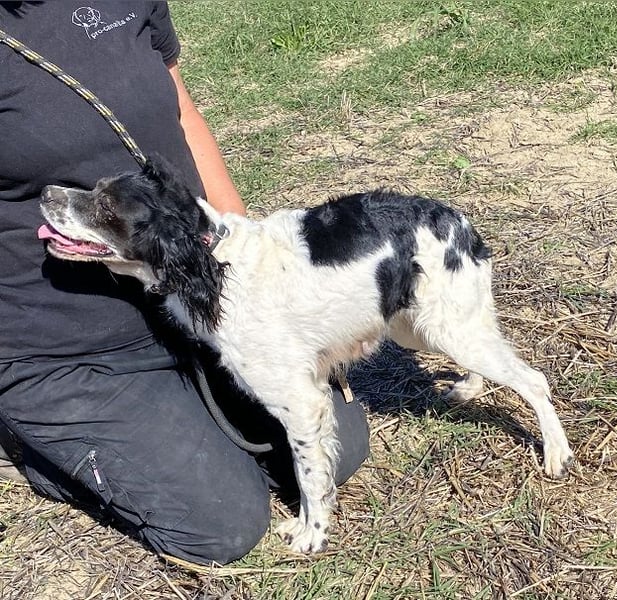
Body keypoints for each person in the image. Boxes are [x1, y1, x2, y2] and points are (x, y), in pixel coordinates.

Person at [0, 1, 370, 565]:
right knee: (223, 523)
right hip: (65, 346)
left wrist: (256, 278)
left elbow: (182, 112)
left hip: (187, 296)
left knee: (337, 446)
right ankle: (31, 440)